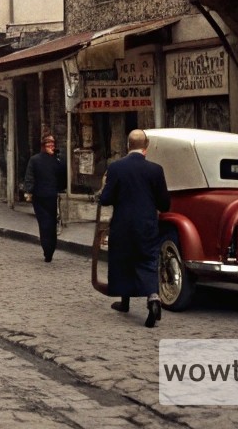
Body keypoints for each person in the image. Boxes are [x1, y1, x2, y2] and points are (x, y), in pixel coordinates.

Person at [99, 128, 171, 328]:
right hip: (146, 224)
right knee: (147, 260)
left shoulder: (116, 168)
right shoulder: (155, 170)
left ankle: (124, 302)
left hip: (122, 224)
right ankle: (153, 297)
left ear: (127, 145)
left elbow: (106, 199)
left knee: (123, 261)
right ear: (146, 146)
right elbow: (164, 203)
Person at [22, 131, 67, 262]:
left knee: (51, 223)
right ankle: (47, 249)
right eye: (48, 143)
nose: (51, 145)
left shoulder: (57, 160)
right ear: (43, 145)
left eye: (52, 143)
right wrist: (29, 191)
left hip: (51, 196)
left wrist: (59, 159)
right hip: (39, 197)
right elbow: (30, 176)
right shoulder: (35, 160)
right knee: (45, 223)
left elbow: (63, 176)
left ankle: (50, 250)